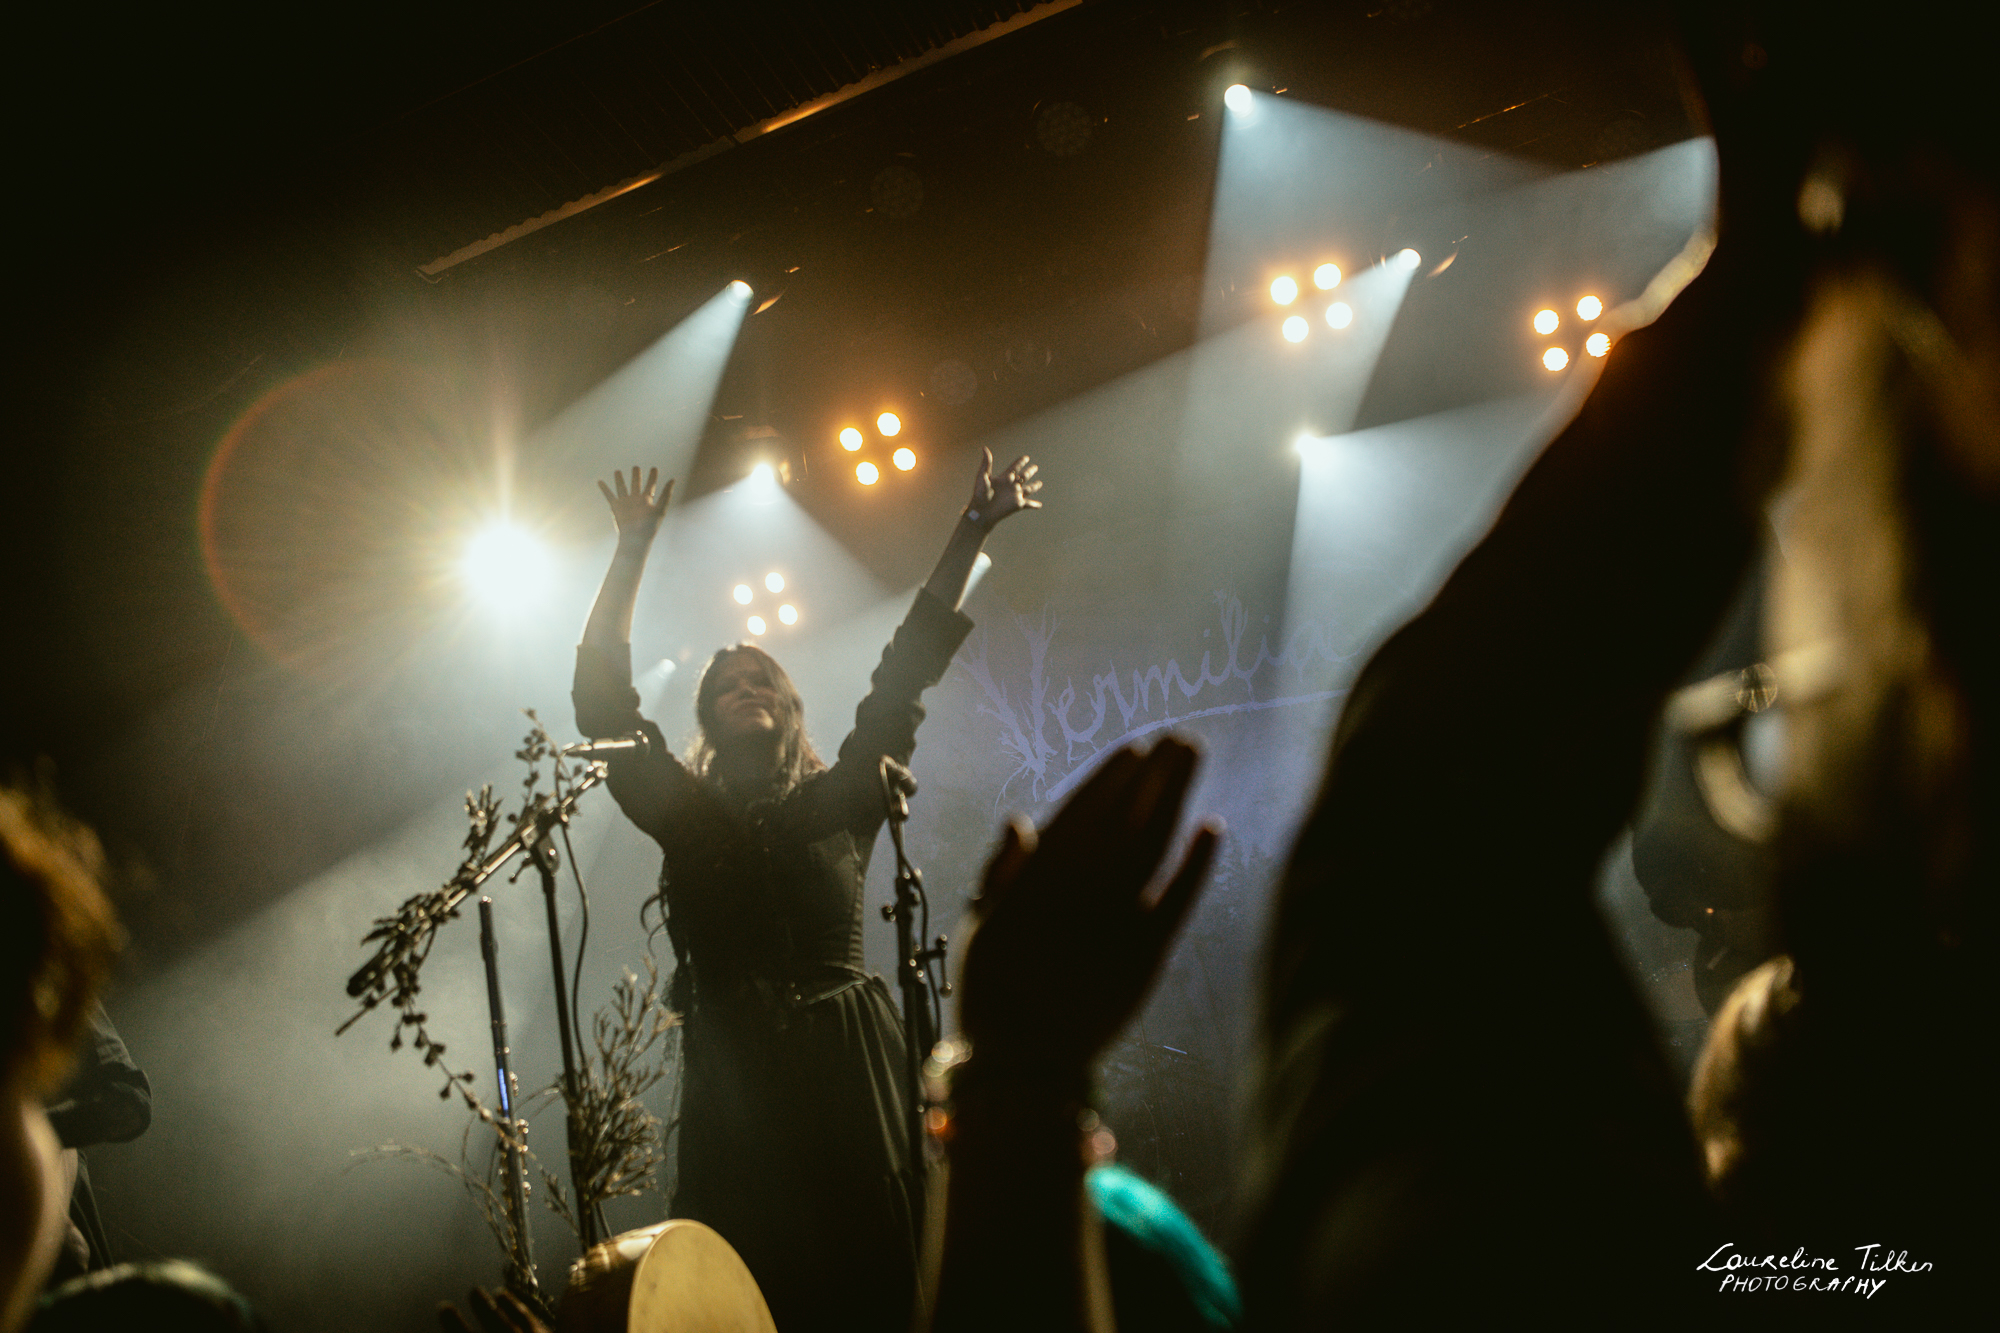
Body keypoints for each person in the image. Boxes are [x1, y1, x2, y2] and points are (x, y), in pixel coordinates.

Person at [572, 449, 1042, 1331]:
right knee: (751, 1273)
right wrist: (630, 551)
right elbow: (602, 709)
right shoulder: (687, 815)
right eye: (726, 685)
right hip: (736, 1079)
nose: (745, 688)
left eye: (761, 680)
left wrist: (970, 530)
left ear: (788, 708)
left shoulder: (840, 800)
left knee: (870, 1276)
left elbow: (903, 674)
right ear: (706, 716)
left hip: (848, 1065)